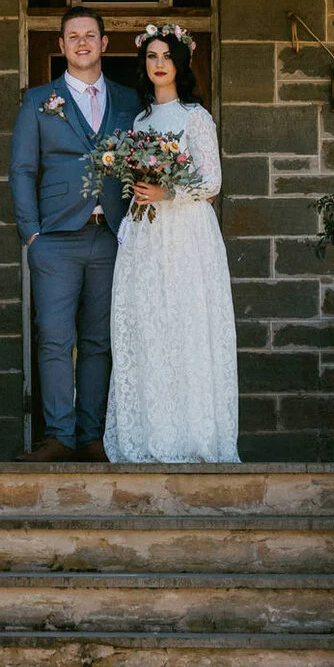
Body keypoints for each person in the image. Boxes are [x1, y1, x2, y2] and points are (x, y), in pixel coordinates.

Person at [8, 6, 141, 462]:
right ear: (61, 46)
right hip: (56, 239)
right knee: (54, 338)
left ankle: (92, 436)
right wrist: (31, 235)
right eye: (72, 36)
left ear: (105, 44)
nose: (82, 43)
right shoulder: (38, 101)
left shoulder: (128, 101)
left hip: (112, 236)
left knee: (100, 340)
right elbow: (23, 170)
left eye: (90, 35)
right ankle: (59, 437)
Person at [103, 24, 239, 463]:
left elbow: (213, 181)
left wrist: (167, 193)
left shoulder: (195, 117)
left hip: (185, 234)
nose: (158, 63)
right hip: (146, 233)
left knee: (186, 325)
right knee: (149, 326)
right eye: (151, 56)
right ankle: (149, 435)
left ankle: (193, 438)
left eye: (166, 56)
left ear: (180, 64)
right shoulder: (140, 121)